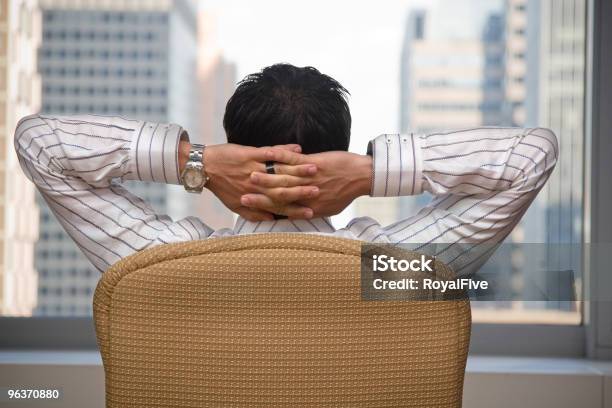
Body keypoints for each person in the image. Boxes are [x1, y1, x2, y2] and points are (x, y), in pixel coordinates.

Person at [14, 63, 558, 276]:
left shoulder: (158, 265)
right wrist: (369, 175)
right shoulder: (394, 273)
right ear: (336, 157)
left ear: (234, 150)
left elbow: (38, 144)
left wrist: (195, 162)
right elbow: (532, 155)